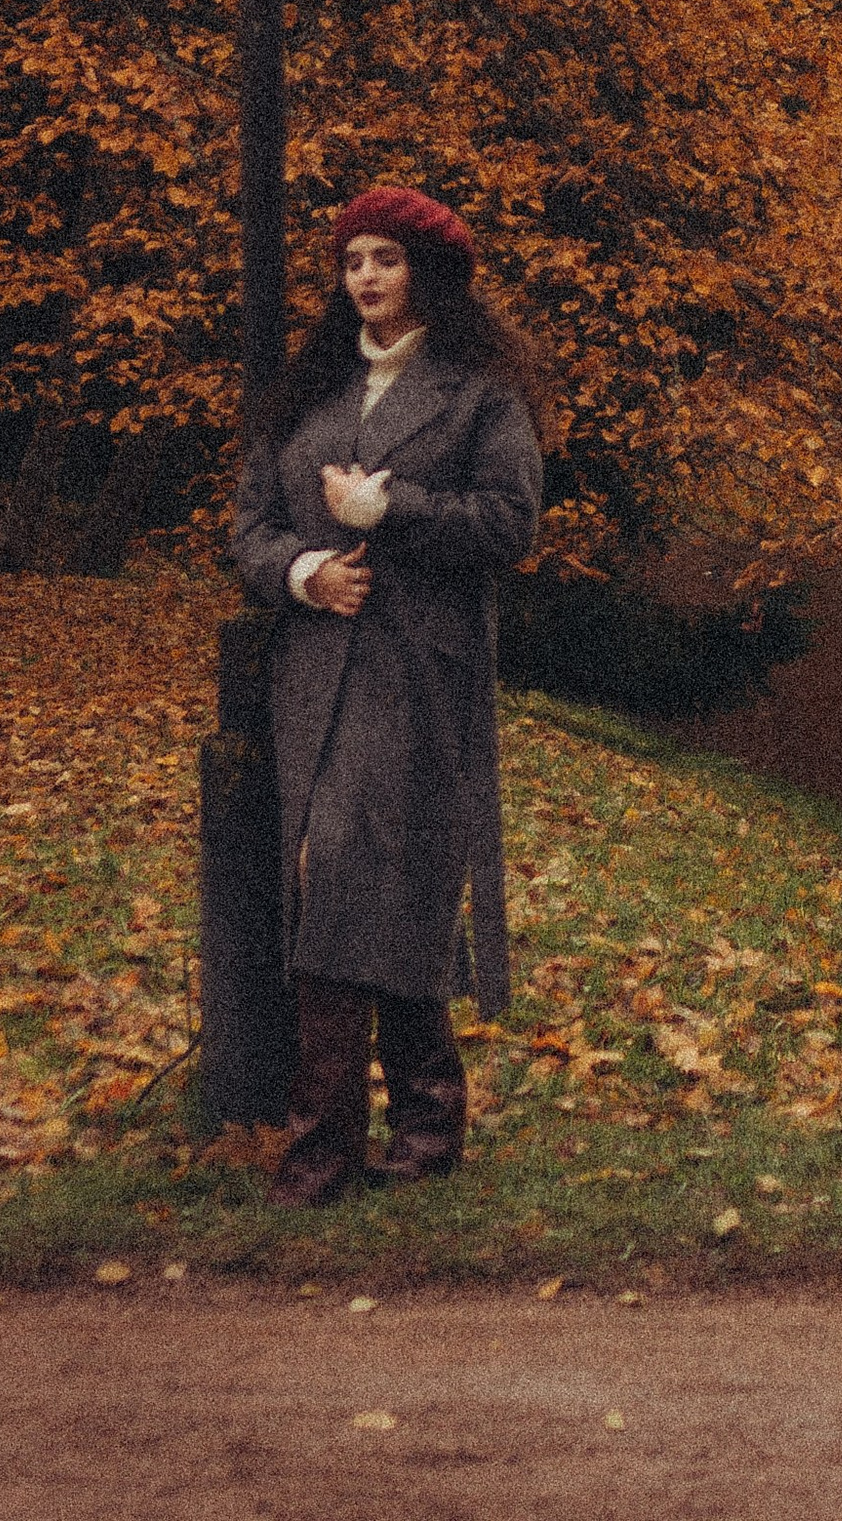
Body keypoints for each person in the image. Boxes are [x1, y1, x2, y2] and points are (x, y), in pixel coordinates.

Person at [230, 185, 545, 1203]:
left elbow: (507, 524)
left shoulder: (481, 394)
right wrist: (302, 575)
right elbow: (249, 531)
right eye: (353, 260)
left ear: (428, 275)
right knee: (361, 881)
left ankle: (323, 1145)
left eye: (386, 260)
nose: (365, 277)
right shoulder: (308, 392)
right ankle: (426, 1114)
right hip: (312, 676)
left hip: (419, 675)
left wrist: (390, 507)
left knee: (358, 878)